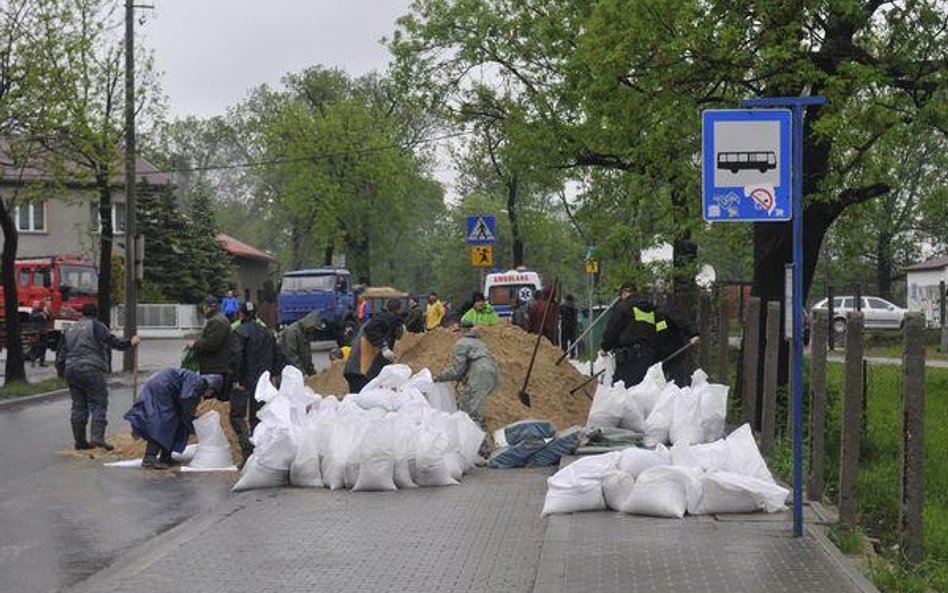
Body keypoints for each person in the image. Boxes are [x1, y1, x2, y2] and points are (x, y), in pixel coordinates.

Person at [55, 303, 140, 450]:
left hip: (71, 370)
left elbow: (61, 353)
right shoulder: (97, 326)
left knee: (78, 405)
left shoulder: (69, 329)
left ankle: (80, 441)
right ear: (96, 314)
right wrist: (130, 343)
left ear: (82, 313)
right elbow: (112, 342)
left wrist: (60, 371)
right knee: (98, 402)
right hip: (92, 368)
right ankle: (97, 438)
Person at [600, 283, 699, 388]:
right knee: (642, 390)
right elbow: (674, 320)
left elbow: (613, 330)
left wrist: (605, 347)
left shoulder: (624, 307)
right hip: (649, 356)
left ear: (624, 292)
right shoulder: (651, 309)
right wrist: (693, 333)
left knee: (621, 390)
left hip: (630, 356)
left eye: (620, 295)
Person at [124, 369, 223, 470]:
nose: (208, 396)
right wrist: (189, 419)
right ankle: (149, 458)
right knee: (162, 423)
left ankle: (165, 457)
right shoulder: (197, 382)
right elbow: (186, 398)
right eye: (211, 393)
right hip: (162, 388)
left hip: (164, 388)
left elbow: (185, 401)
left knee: (174, 423)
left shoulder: (196, 383)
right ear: (211, 388)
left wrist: (187, 419)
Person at [230, 301, 281, 463]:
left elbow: (236, 357)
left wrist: (235, 379)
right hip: (263, 383)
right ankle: (259, 453)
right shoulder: (267, 333)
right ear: (257, 314)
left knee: (237, 416)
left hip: (245, 381)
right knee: (257, 417)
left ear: (241, 314)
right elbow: (277, 356)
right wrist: (273, 376)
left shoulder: (239, 332)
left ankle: (247, 450)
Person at [433, 320, 499, 432]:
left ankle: (480, 445)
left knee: (472, 412)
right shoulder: (480, 342)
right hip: (491, 374)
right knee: (472, 405)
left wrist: (438, 377)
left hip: (479, 375)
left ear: (463, 330)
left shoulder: (461, 343)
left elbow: (457, 370)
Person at [344, 298, 405, 393]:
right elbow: (371, 330)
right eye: (399, 333)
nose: (398, 337)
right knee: (363, 400)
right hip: (361, 371)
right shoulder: (386, 319)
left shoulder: (379, 319)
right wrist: (384, 348)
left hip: (356, 370)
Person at [188, 296, 233, 401]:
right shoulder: (219, 319)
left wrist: (195, 344)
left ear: (208, 307)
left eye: (204, 306)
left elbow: (211, 344)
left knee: (214, 401)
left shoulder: (216, 321)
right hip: (219, 367)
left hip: (215, 369)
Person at [277, 310, 323, 376]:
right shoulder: (292, 332)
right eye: (313, 328)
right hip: (291, 372)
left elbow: (306, 354)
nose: (313, 331)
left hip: (299, 371)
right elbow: (291, 355)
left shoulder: (306, 333)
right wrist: (302, 373)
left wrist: (312, 372)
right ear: (309, 324)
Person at [28, 299, 51, 367]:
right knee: (35, 346)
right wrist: (40, 314)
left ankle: (42, 361)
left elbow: (49, 318)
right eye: (43, 305)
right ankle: (33, 361)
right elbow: (31, 317)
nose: (43, 306)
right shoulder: (35, 310)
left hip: (44, 331)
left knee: (43, 347)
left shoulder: (45, 311)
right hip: (36, 331)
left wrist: (47, 313)